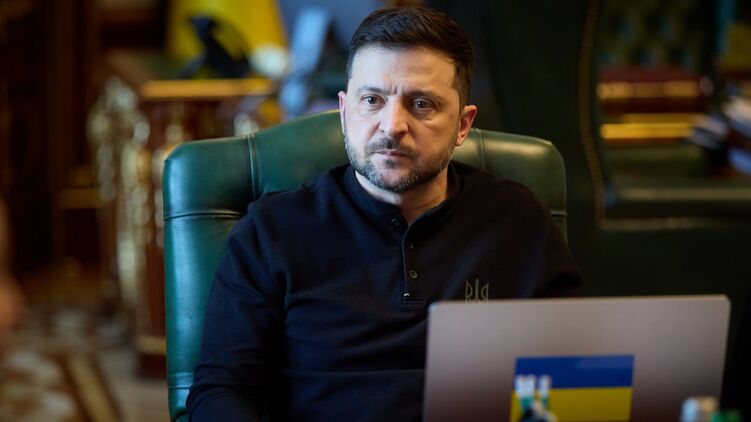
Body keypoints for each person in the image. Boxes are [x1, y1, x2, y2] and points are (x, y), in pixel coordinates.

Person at [187, 6, 582, 421]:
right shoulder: (272, 231)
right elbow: (221, 391)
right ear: (345, 112)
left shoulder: (518, 220)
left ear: (463, 125)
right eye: (372, 100)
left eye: (422, 104)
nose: (392, 125)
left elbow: (573, 375)